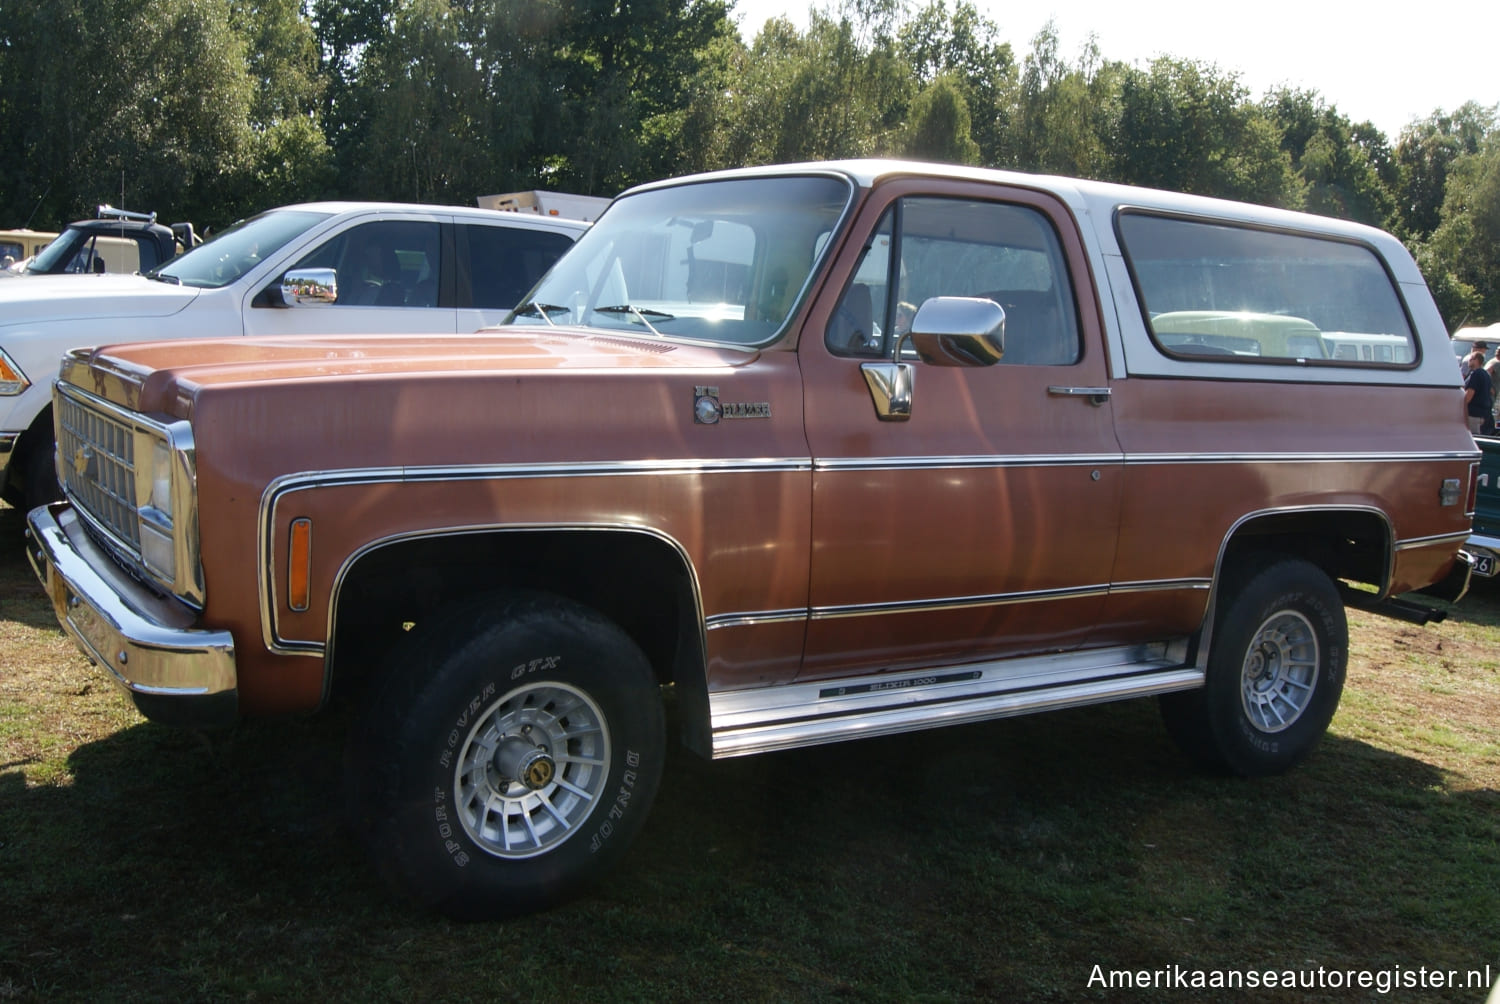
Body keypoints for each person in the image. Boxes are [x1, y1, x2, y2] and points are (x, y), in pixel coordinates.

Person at [1464, 349, 1492, 435]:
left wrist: (1460, 407)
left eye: (1471, 358)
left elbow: (1469, 394)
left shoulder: (1476, 374)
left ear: (1476, 360)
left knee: (1472, 439)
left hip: (1473, 414)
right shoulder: (1486, 374)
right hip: (1483, 415)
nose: (1469, 360)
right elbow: (1492, 391)